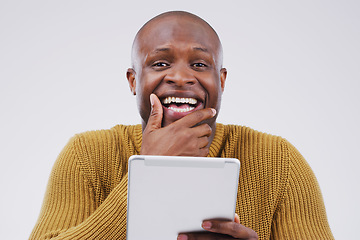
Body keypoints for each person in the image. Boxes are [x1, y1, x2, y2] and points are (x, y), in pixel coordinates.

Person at [30, 11, 334, 240]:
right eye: (160, 63)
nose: (180, 77)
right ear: (134, 81)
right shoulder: (87, 155)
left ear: (222, 80)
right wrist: (151, 173)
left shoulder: (279, 160)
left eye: (200, 65)